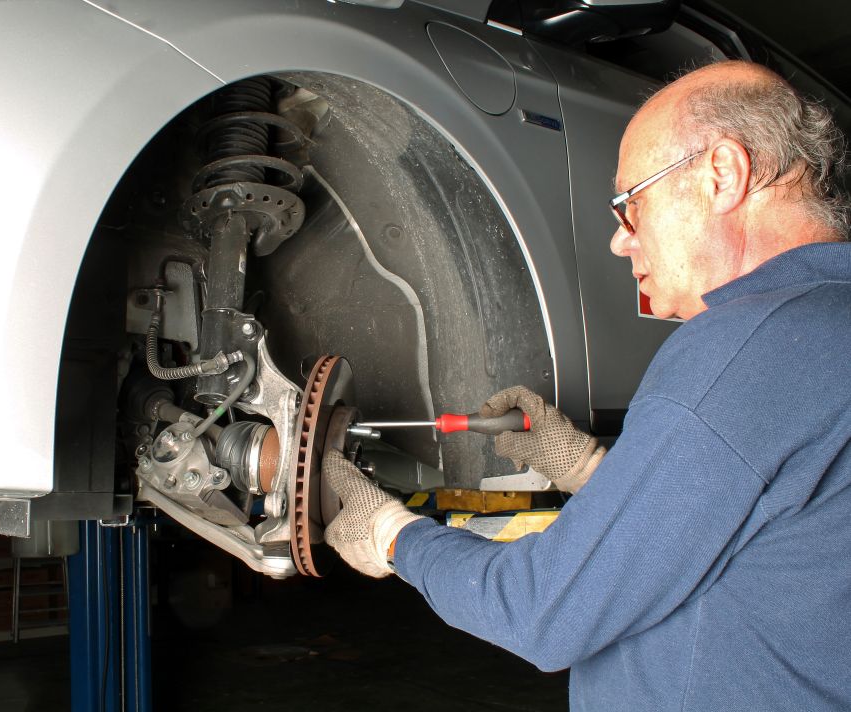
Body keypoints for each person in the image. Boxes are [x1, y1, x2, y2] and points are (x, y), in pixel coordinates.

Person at [322, 60, 851, 711]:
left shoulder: (747, 342)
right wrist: (589, 470)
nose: (619, 242)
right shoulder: (825, 329)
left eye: (631, 204)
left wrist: (393, 535)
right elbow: (751, 538)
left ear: (722, 173)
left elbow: (539, 609)